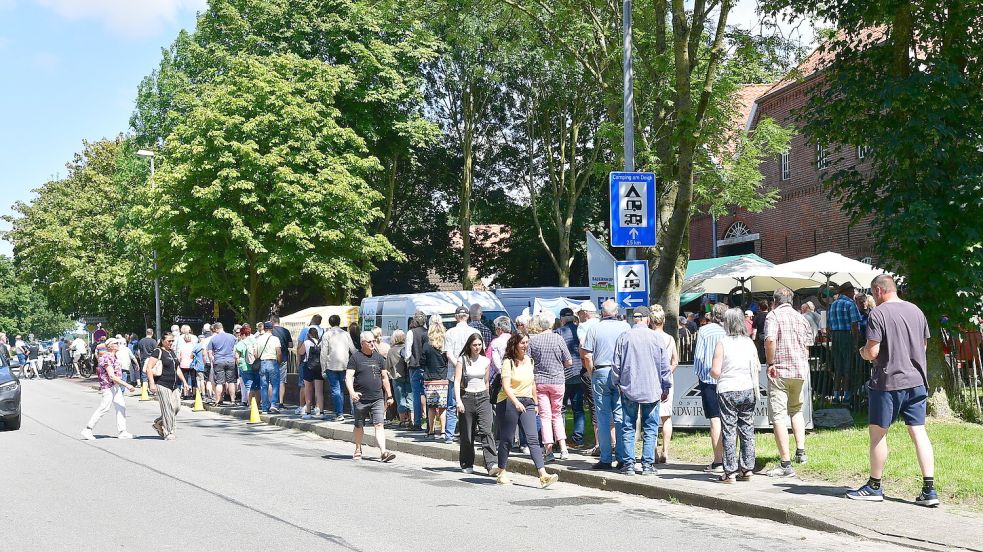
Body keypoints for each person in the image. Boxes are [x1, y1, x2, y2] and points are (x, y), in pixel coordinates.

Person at [848, 275, 938, 507]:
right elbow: (924, 346)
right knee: (919, 432)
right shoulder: (916, 311)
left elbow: (873, 351)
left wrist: (862, 352)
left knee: (878, 434)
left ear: (878, 291)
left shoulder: (878, 314)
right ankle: (929, 490)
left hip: (888, 382)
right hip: (917, 380)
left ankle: (874, 485)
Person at [494, 332, 559, 488]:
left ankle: (543, 475)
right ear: (515, 344)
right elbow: (506, 386)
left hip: (527, 401)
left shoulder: (530, 361)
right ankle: (501, 471)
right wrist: (515, 402)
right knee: (507, 439)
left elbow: (532, 383)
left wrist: (535, 402)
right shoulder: (508, 363)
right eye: (522, 343)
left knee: (533, 439)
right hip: (509, 401)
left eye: (527, 343)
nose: (525, 346)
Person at [612, 306, 672, 476]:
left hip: (629, 388)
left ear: (634, 320)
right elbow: (664, 366)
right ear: (647, 319)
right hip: (652, 389)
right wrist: (666, 386)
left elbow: (616, 366)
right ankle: (647, 465)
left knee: (628, 426)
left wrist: (617, 384)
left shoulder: (624, 337)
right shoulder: (656, 338)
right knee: (651, 427)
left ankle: (629, 465)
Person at [763, 288, 814, 477]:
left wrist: (770, 363)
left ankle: (785, 463)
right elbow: (808, 345)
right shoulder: (802, 317)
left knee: (778, 415)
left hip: (780, 371)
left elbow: (769, 340)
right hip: (799, 370)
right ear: (791, 300)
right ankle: (801, 452)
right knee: (796, 410)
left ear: (775, 300)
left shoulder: (773, 316)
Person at [709, 308, 759, 483]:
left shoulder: (722, 343)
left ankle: (729, 472)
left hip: (728, 388)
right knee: (747, 429)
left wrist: (712, 371)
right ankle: (747, 469)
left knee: (729, 429)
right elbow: (757, 366)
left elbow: (715, 371)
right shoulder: (749, 343)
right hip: (748, 388)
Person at [583, 300, 631, 470]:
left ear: (602, 313)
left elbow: (587, 355)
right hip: (620, 373)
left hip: (601, 372)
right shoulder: (625, 328)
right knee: (620, 415)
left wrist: (591, 373)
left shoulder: (594, 328)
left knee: (603, 417)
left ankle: (605, 458)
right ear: (616, 312)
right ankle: (622, 456)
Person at [527, 314, 572, 462]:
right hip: (557, 380)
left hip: (540, 381)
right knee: (557, 414)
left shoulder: (534, 340)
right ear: (553, 324)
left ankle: (548, 449)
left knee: (544, 416)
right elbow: (569, 361)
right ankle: (563, 447)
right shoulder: (558, 338)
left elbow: (528, 361)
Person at [346, 331, 396, 462]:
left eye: (374, 341)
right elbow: (348, 377)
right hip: (360, 398)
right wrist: (352, 392)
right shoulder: (355, 358)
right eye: (370, 342)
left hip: (377, 397)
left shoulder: (379, 358)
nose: (373, 343)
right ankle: (358, 448)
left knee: (379, 424)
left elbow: (384, 377)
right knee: (359, 425)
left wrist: (389, 395)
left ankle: (383, 452)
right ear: (362, 343)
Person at [454, 333, 497, 474]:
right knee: (467, 433)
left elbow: (486, 382)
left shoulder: (485, 361)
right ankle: (467, 463)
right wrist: (458, 401)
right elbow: (456, 381)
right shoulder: (462, 360)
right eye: (474, 345)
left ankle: (491, 464)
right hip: (467, 397)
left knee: (486, 430)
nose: (477, 347)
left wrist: (488, 397)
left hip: (483, 397)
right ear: (469, 346)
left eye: (479, 345)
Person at [693, 303, 729, 474]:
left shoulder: (705, 331)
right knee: (730, 419)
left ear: (712, 315)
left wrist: (701, 376)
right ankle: (730, 459)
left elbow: (699, 357)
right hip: (729, 379)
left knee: (715, 419)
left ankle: (718, 461)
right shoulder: (731, 331)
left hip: (708, 379)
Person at [81, 338, 137, 440]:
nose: (118, 344)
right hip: (108, 387)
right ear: (110, 346)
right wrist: (127, 385)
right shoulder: (107, 357)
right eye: (116, 343)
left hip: (115, 386)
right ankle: (88, 429)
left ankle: (123, 431)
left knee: (121, 407)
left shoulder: (114, 356)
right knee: (104, 408)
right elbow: (111, 376)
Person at [443, 306, 479, 443]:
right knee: (470, 404)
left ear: (455, 317)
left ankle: (449, 435)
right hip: (473, 373)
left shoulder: (450, 333)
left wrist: (458, 365)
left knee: (452, 405)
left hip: (454, 374)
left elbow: (448, 353)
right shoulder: (475, 331)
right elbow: (479, 352)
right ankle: (468, 433)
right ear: (468, 316)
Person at [146, 333, 190, 441]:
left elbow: (177, 369)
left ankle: (159, 422)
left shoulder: (171, 352)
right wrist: (152, 383)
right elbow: (149, 368)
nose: (171, 343)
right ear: (162, 341)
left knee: (177, 407)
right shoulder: (158, 352)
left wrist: (184, 382)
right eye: (169, 341)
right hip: (162, 383)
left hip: (174, 385)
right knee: (168, 408)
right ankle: (169, 432)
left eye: (172, 341)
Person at [649, 304, 678, 464]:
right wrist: (667, 374)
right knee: (666, 418)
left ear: (650, 321)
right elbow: (675, 361)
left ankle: (652, 451)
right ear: (664, 321)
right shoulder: (670, 339)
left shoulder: (648, 337)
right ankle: (665, 451)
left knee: (651, 417)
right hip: (667, 381)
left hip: (651, 380)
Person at [828, 282, 863, 404]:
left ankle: (836, 396)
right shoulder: (850, 304)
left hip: (836, 337)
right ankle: (847, 397)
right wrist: (855, 342)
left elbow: (829, 326)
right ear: (847, 292)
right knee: (848, 367)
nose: (854, 293)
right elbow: (854, 324)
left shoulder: (833, 305)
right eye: (853, 291)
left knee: (838, 368)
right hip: (846, 336)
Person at [556, 308, 585, 447]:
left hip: (564, 374)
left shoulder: (559, 333)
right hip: (579, 372)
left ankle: (560, 438)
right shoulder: (579, 330)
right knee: (578, 408)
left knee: (560, 408)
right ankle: (578, 439)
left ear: (562, 319)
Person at [321, 315, 356, 421]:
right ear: (339, 322)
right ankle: (351, 411)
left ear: (329, 323)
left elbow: (323, 353)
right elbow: (353, 349)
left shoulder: (327, 334)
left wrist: (323, 368)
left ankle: (339, 413)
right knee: (346, 388)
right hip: (345, 365)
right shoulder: (346, 334)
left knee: (336, 390)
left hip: (331, 365)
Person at [576, 302, 600, 453]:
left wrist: (588, 369)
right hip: (608, 368)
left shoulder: (583, 327)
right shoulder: (601, 324)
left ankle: (599, 444)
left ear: (585, 313)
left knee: (594, 407)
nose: (578, 316)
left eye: (579, 313)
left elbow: (584, 350)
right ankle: (613, 442)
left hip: (590, 369)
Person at [421, 317, 448, 438]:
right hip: (443, 377)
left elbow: (422, 361)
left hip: (430, 378)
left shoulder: (427, 346)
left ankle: (431, 430)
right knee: (442, 406)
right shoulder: (445, 346)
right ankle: (443, 431)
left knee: (431, 407)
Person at [402, 311, 429, 429]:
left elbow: (408, 352)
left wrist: (407, 361)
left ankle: (417, 422)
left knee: (416, 395)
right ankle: (430, 422)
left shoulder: (411, 332)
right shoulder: (427, 333)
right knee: (428, 394)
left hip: (414, 366)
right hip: (426, 367)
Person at [206, 322, 237, 406]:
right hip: (230, 360)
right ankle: (233, 400)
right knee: (231, 382)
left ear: (216, 329)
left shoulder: (213, 339)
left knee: (219, 382)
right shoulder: (232, 337)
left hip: (219, 361)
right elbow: (235, 349)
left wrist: (212, 360)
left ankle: (218, 400)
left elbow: (209, 353)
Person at [254, 321, 283, 413]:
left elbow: (256, 354)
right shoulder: (275, 339)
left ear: (264, 328)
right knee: (275, 384)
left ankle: (264, 407)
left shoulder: (259, 339)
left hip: (263, 362)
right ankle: (273, 404)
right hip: (272, 362)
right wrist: (279, 362)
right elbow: (279, 352)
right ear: (272, 329)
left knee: (264, 386)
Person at [386, 330, 412, 427]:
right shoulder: (407, 348)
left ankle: (402, 420)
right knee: (410, 397)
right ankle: (411, 420)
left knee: (400, 398)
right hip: (408, 375)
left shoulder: (391, 350)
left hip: (396, 377)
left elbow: (387, 366)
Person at [300, 327, 326, 419]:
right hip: (319, 367)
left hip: (308, 367)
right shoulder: (321, 343)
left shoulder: (306, 342)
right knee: (319, 391)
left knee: (308, 390)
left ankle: (308, 412)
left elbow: (300, 352)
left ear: (309, 334)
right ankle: (321, 411)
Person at [269, 316, 293, 408]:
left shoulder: (271, 331)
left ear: (272, 321)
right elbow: (290, 344)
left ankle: (272, 402)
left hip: (272, 357)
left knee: (271, 381)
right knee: (282, 381)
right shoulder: (285, 331)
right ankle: (281, 402)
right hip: (284, 357)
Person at [234, 324, 257, 406]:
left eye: (240, 334)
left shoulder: (241, 343)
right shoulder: (254, 341)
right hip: (255, 366)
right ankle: (257, 403)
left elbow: (236, 357)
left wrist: (238, 364)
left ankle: (250, 404)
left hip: (244, 367)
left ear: (243, 334)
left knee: (248, 386)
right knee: (256, 386)